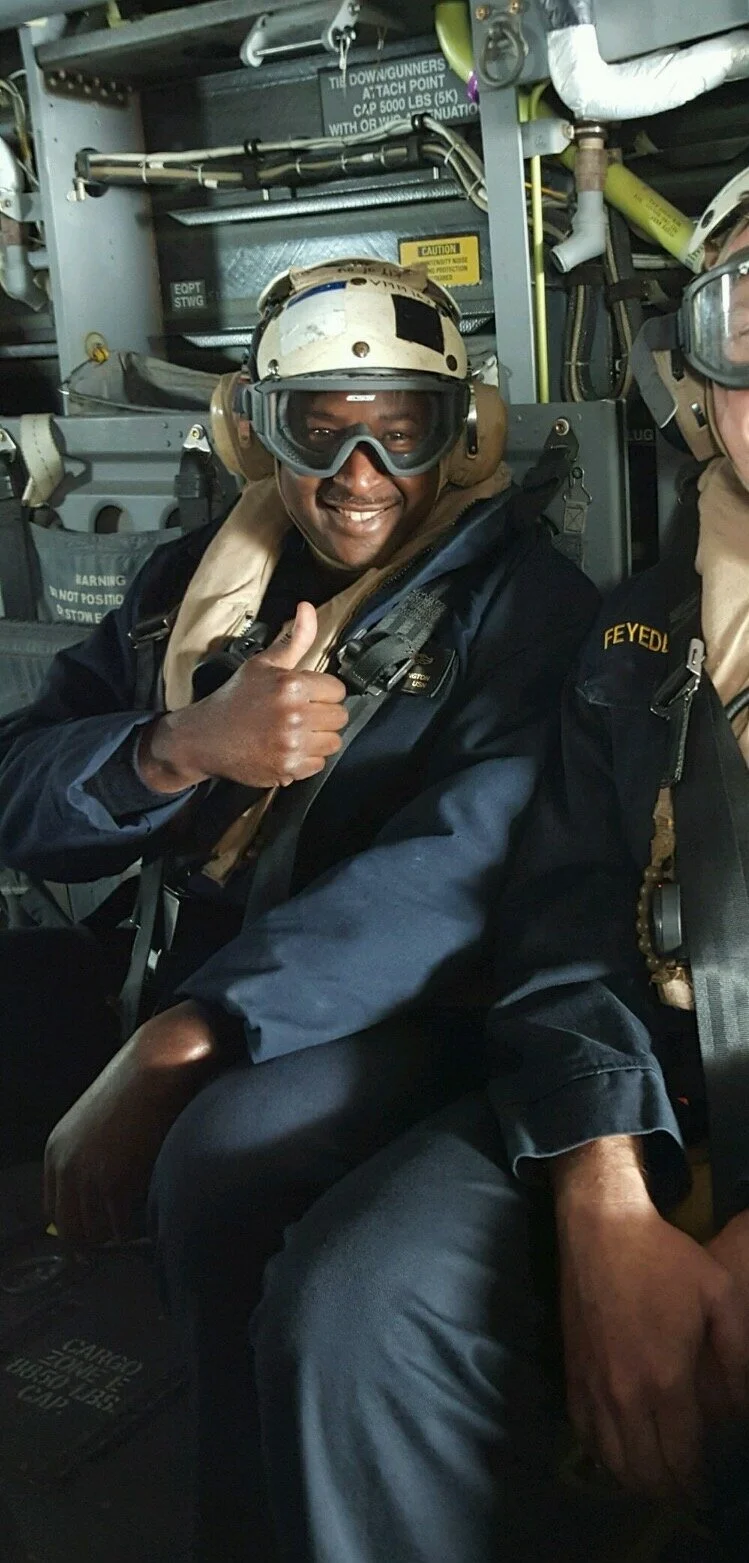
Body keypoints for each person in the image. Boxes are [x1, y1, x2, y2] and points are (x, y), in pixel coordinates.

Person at [0, 258, 597, 1558]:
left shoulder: (529, 614)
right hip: (190, 968)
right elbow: (19, 779)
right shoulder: (190, 590)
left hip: (405, 1013)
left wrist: (187, 1036)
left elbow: (456, 870)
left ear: (467, 435)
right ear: (250, 434)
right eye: (316, 432)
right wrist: (183, 745)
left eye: (404, 427)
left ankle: (250, 1510)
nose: (362, 473)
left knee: (224, 1155)